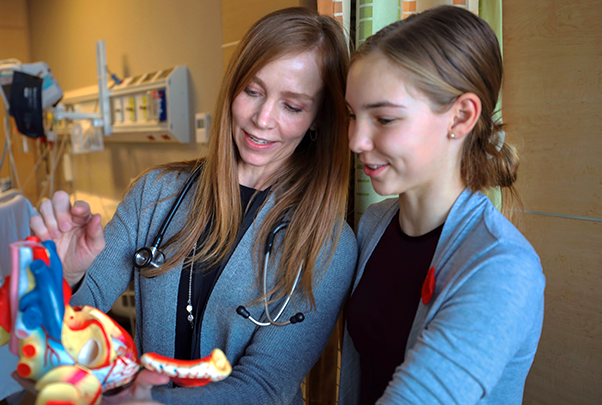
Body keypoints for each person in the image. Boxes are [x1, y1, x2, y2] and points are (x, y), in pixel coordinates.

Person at [30, 7, 357, 405]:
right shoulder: (157, 194)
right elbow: (75, 323)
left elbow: (263, 388)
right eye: (252, 91)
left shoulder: (326, 243)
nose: (262, 119)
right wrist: (66, 275)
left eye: (292, 106)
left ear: (318, 118)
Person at [339, 6, 545, 405]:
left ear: (461, 116)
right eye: (352, 115)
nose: (356, 141)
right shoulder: (375, 225)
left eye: (383, 119)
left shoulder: (502, 267)